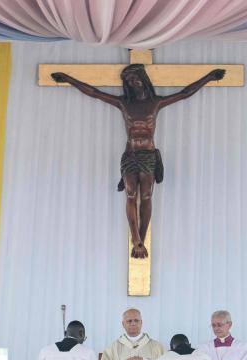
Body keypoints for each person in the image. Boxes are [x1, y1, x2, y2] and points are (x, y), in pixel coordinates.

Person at [52, 64, 225, 258]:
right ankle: (136, 239)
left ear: (144, 80)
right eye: (129, 81)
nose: (134, 83)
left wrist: (209, 78)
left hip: (148, 155)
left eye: (136, 79)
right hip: (130, 154)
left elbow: (185, 93)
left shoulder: (156, 103)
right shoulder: (124, 104)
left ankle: (140, 241)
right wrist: (68, 79)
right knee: (131, 194)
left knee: (147, 196)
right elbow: (94, 93)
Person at [100, 308, 165, 360]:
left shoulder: (157, 347)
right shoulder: (113, 348)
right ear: (123, 324)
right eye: (129, 321)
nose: (133, 323)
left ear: (141, 323)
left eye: (136, 320)